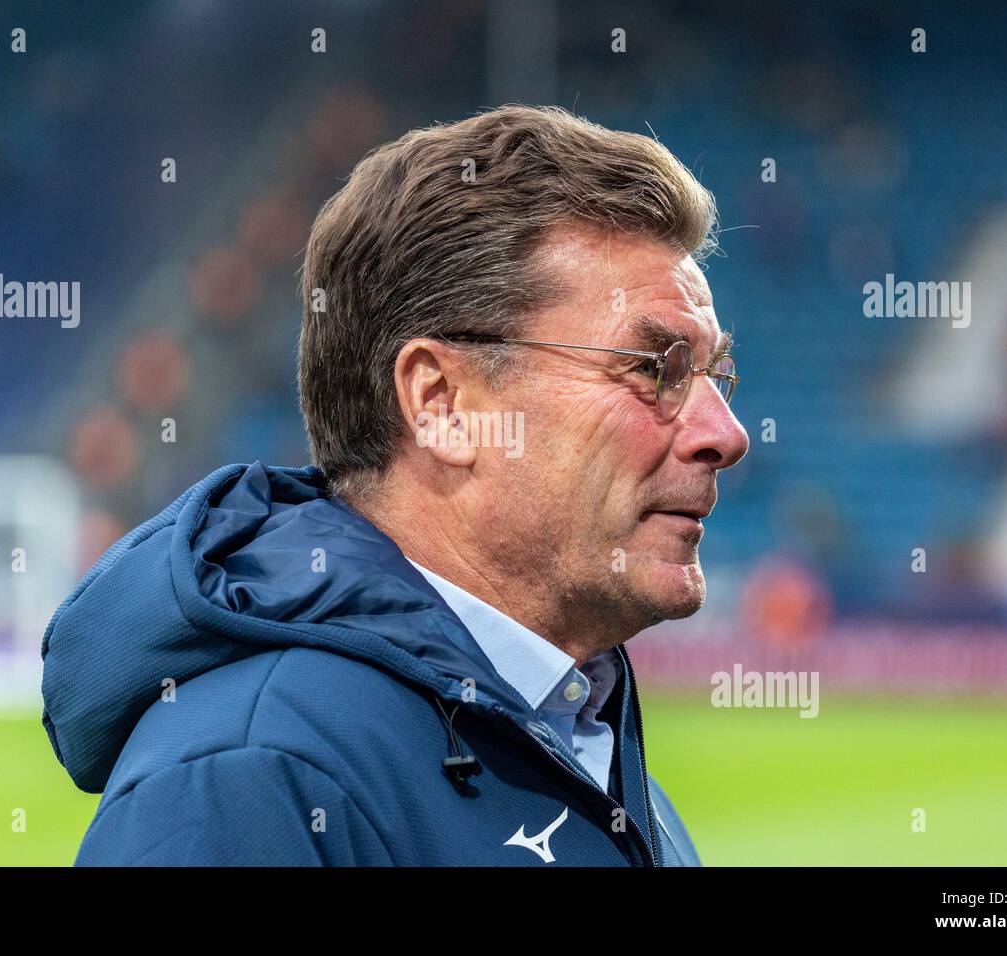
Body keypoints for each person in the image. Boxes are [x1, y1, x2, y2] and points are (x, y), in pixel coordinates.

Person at [41, 104, 749, 865]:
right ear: (440, 403)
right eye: (653, 369)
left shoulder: (582, 743)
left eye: (716, 374)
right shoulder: (250, 782)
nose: (726, 434)